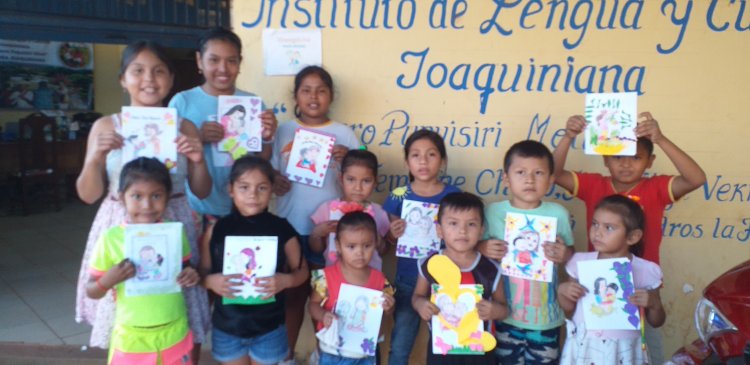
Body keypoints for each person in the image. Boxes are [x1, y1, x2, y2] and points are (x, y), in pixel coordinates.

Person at [74, 41, 212, 362]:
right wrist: (95, 156)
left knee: (181, 302)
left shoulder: (184, 127)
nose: (149, 79)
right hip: (119, 224)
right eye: (138, 70)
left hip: (173, 220)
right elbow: (88, 194)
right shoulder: (105, 126)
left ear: (171, 78)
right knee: (124, 306)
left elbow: (202, 191)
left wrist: (198, 159)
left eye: (158, 70)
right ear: (123, 79)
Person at [552, 112, 705, 363]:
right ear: (605, 159)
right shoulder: (593, 185)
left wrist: (661, 138)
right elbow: (554, 174)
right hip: (595, 288)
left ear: (650, 161)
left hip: (641, 287)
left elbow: (696, 179)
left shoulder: (655, 188)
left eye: (635, 157)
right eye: (618, 156)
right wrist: (568, 137)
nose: (625, 164)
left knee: (642, 350)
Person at [271, 65, 361, 362]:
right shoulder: (284, 129)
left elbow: (361, 175)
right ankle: (287, 355)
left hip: (331, 231)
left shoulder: (343, 133)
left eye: (321, 90)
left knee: (327, 298)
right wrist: (274, 180)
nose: (314, 96)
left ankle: (325, 354)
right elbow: (267, 172)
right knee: (293, 296)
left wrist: (348, 159)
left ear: (331, 96)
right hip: (291, 227)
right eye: (306, 90)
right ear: (295, 95)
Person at [85, 157, 200, 364]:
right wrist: (108, 280)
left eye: (156, 195)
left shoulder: (174, 232)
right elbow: (91, 290)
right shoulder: (111, 238)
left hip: (174, 330)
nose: (147, 205)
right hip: (131, 336)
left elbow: (187, 269)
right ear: (122, 198)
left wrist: (191, 275)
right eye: (136, 196)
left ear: (168, 197)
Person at [199, 155, 308, 365]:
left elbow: (302, 271)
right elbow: (202, 272)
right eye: (244, 187)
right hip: (228, 328)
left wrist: (286, 281)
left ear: (271, 190)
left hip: (270, 328)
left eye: (262, 188)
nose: (253, 195)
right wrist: (210, 282)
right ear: (231, 189)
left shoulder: (281, 228)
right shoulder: (217, 230)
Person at [168, 26, 277, 224]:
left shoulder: (253, 103)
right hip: (199, 209)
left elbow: (262, 159)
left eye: (231, 61)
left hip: (246, 208)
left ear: (240, 63)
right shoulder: (182, 102)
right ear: (199, 61)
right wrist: (198, 137)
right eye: (214, 60)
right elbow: (167, 156)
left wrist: (268, 137)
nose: (223, 68)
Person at [479, 140, 574, 364]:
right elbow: (472, 251)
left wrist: (565, 253)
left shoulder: (558, 214)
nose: (529, 179)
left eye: (539, 173)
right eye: (520, 172)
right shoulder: (493, 212)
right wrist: (482, 247)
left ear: (551, 180)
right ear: (506, 178)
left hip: (545, 318)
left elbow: (572, 255)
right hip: (503, 315)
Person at [383, 129, 461, 364]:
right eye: (416, 155)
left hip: (445, 281)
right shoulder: (398, 196)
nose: (423, 161)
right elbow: (388, 240)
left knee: (449, 342)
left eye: (431, 155)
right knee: (401, 343)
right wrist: (392, 235)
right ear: (407, 161)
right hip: (408, 278)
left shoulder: (453, 195)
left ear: (443, 160)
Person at [558, 195, 665, 364]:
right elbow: (569, 309)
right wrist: (563, 292)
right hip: (585, 345)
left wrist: (653, 303)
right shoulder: (579, 262)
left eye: (609, 227)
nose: (597, 232)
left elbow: (657, 321)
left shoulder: (646, 270)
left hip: (624, 350)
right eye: (595, 224)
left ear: (633, 237)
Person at [412, 192, 509, 365]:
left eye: (471, 224)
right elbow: (417, 296)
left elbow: (504, 309)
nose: (462, 231)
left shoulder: (490, 270)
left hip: (480, 351)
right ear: (439, 230)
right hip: (441, 349)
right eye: (453, 223)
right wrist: (420, 305)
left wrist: (495, 311)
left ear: (481, 230)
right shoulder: (430, 265)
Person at [309, 212, 396, 365]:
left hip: (365, 354)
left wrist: (389, 308)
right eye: (351, 246)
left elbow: (385, 313)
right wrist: (323, 315)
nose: (359, 253)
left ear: (376, 243)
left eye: (367, 246)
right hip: (332, 352)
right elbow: (313, 305)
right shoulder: (326, 277)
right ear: (338, 245)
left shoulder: (380, 280)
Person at [310, 149, 391, 270]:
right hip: (335, 279)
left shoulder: (379, 212)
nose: (358, 187)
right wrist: (317, 233)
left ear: (375, 182)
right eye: (351, 179)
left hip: (368, 281)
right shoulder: (327, 209)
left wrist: (378, 240)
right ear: (341, 179)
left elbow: (384, 251)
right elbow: (317, 249)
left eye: (366, 181)